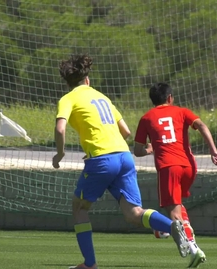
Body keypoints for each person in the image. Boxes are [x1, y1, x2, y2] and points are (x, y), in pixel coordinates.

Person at [52, 55, 190, 269]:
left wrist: (60, 155)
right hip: (124, 157)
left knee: (79, 207)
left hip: (101, 159)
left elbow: (60, 129)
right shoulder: (103, 98)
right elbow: (125, 131)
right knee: (134, 213)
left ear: (68, 82)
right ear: (87, 80)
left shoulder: (68, 99)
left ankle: (89, 265)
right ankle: (172, 226)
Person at [133, 82, 217, 268]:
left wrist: (150, 148)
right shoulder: (182, 111)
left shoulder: (146, 118)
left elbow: (137, 150)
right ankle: (183, 232)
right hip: (189, 167)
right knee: (179, 207)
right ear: (170, 98)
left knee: (173, 214)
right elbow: (202, 125)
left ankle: (193, 248)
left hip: (169, 167)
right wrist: (213, 151)